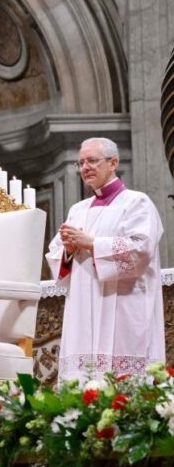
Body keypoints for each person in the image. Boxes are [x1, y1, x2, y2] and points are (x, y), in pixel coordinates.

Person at [45, 137, 165, 381]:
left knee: (123, 380)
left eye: (92, 161)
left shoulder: (137, 203)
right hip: (84, 307)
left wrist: (92, 244)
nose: (85, 168)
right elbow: (56, 255)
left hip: (123, 304)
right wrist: (68, 250)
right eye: (81, 163)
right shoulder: (78, 210)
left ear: (113, 163)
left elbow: (141, 250)